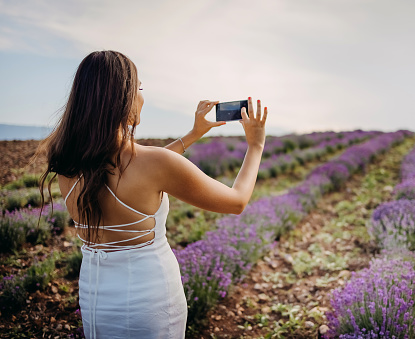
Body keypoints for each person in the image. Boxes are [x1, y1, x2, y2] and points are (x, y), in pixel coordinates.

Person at [36, 50, 267, 339]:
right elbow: (236, 202)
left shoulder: (69, 162)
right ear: (122, 98)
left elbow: (136, 174)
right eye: (140, 88)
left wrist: (193, 134)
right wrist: (256, 146)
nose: (143, 96)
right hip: (150, 301)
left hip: (96, 301)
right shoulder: (152, 164)